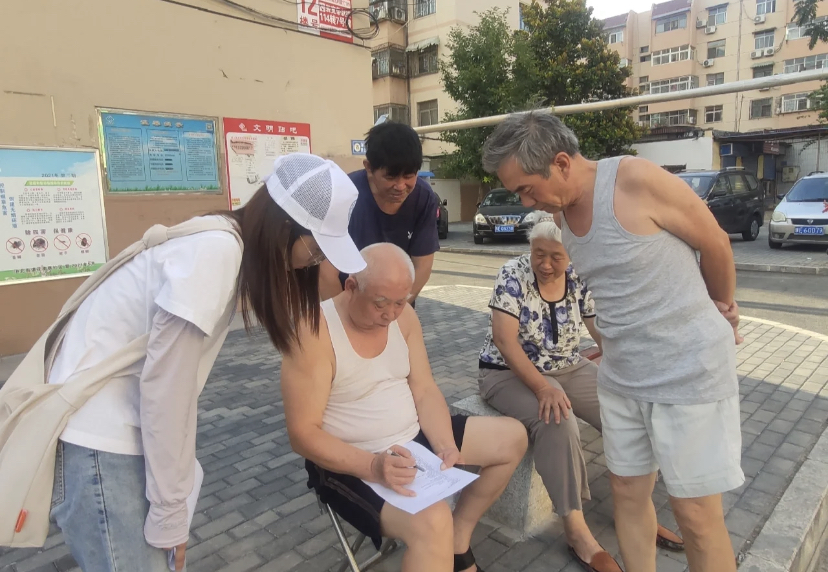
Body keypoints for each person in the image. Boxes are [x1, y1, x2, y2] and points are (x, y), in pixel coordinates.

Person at [46, 153, 366, 572]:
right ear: (286, 227)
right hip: (102, 442)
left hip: (113, 434)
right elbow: (166, 391)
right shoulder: (215, 253)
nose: (315, 261)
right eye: (318, 248)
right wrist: (169, 513)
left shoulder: (221, 241)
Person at [482, 112, 744, 572]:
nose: (525, 202)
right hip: (622, 378)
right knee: (627, 493)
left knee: (696, 516)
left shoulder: (634, 179)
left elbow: (715, 242)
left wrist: (721, 306)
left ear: (561, 163)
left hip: (686, 372)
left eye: (527, 188)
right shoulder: (560, 216)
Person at [282, 243, 528, 572]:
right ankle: (442, 543)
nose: (390, 315)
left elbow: (424, 389)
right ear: (350, 286)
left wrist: (444, 444)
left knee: (512, 438)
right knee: (433, 522)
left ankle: (456, 544)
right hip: (351, 461)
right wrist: (373, 466)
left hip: (413, 440)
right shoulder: (314, 332)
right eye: (380, 304)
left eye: (400, 302)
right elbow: (302, 434)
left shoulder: (404, 317)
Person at [478, 216, 684, 572]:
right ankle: (576, 530)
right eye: (538, 254)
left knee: (627, 411)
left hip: (568, 366)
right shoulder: (513, 274)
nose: (545, 264)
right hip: (507, 372)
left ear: (571, 254)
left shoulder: (579, 276)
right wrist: (543, 387)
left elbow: (600, 329)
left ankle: (635, 512)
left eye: (556, 256)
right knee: (557, 420)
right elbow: (504, 341)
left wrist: (631, 372)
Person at [319, 121, 441, 307]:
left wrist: (395, 309)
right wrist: (346, 318)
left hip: (397, 306)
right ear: (369, 167)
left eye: (409, 176)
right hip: (345, 301)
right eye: (390, 177)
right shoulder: (344, 196)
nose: (400, 186)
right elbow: (325, 274)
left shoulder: (423, 198)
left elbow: (422, 267)